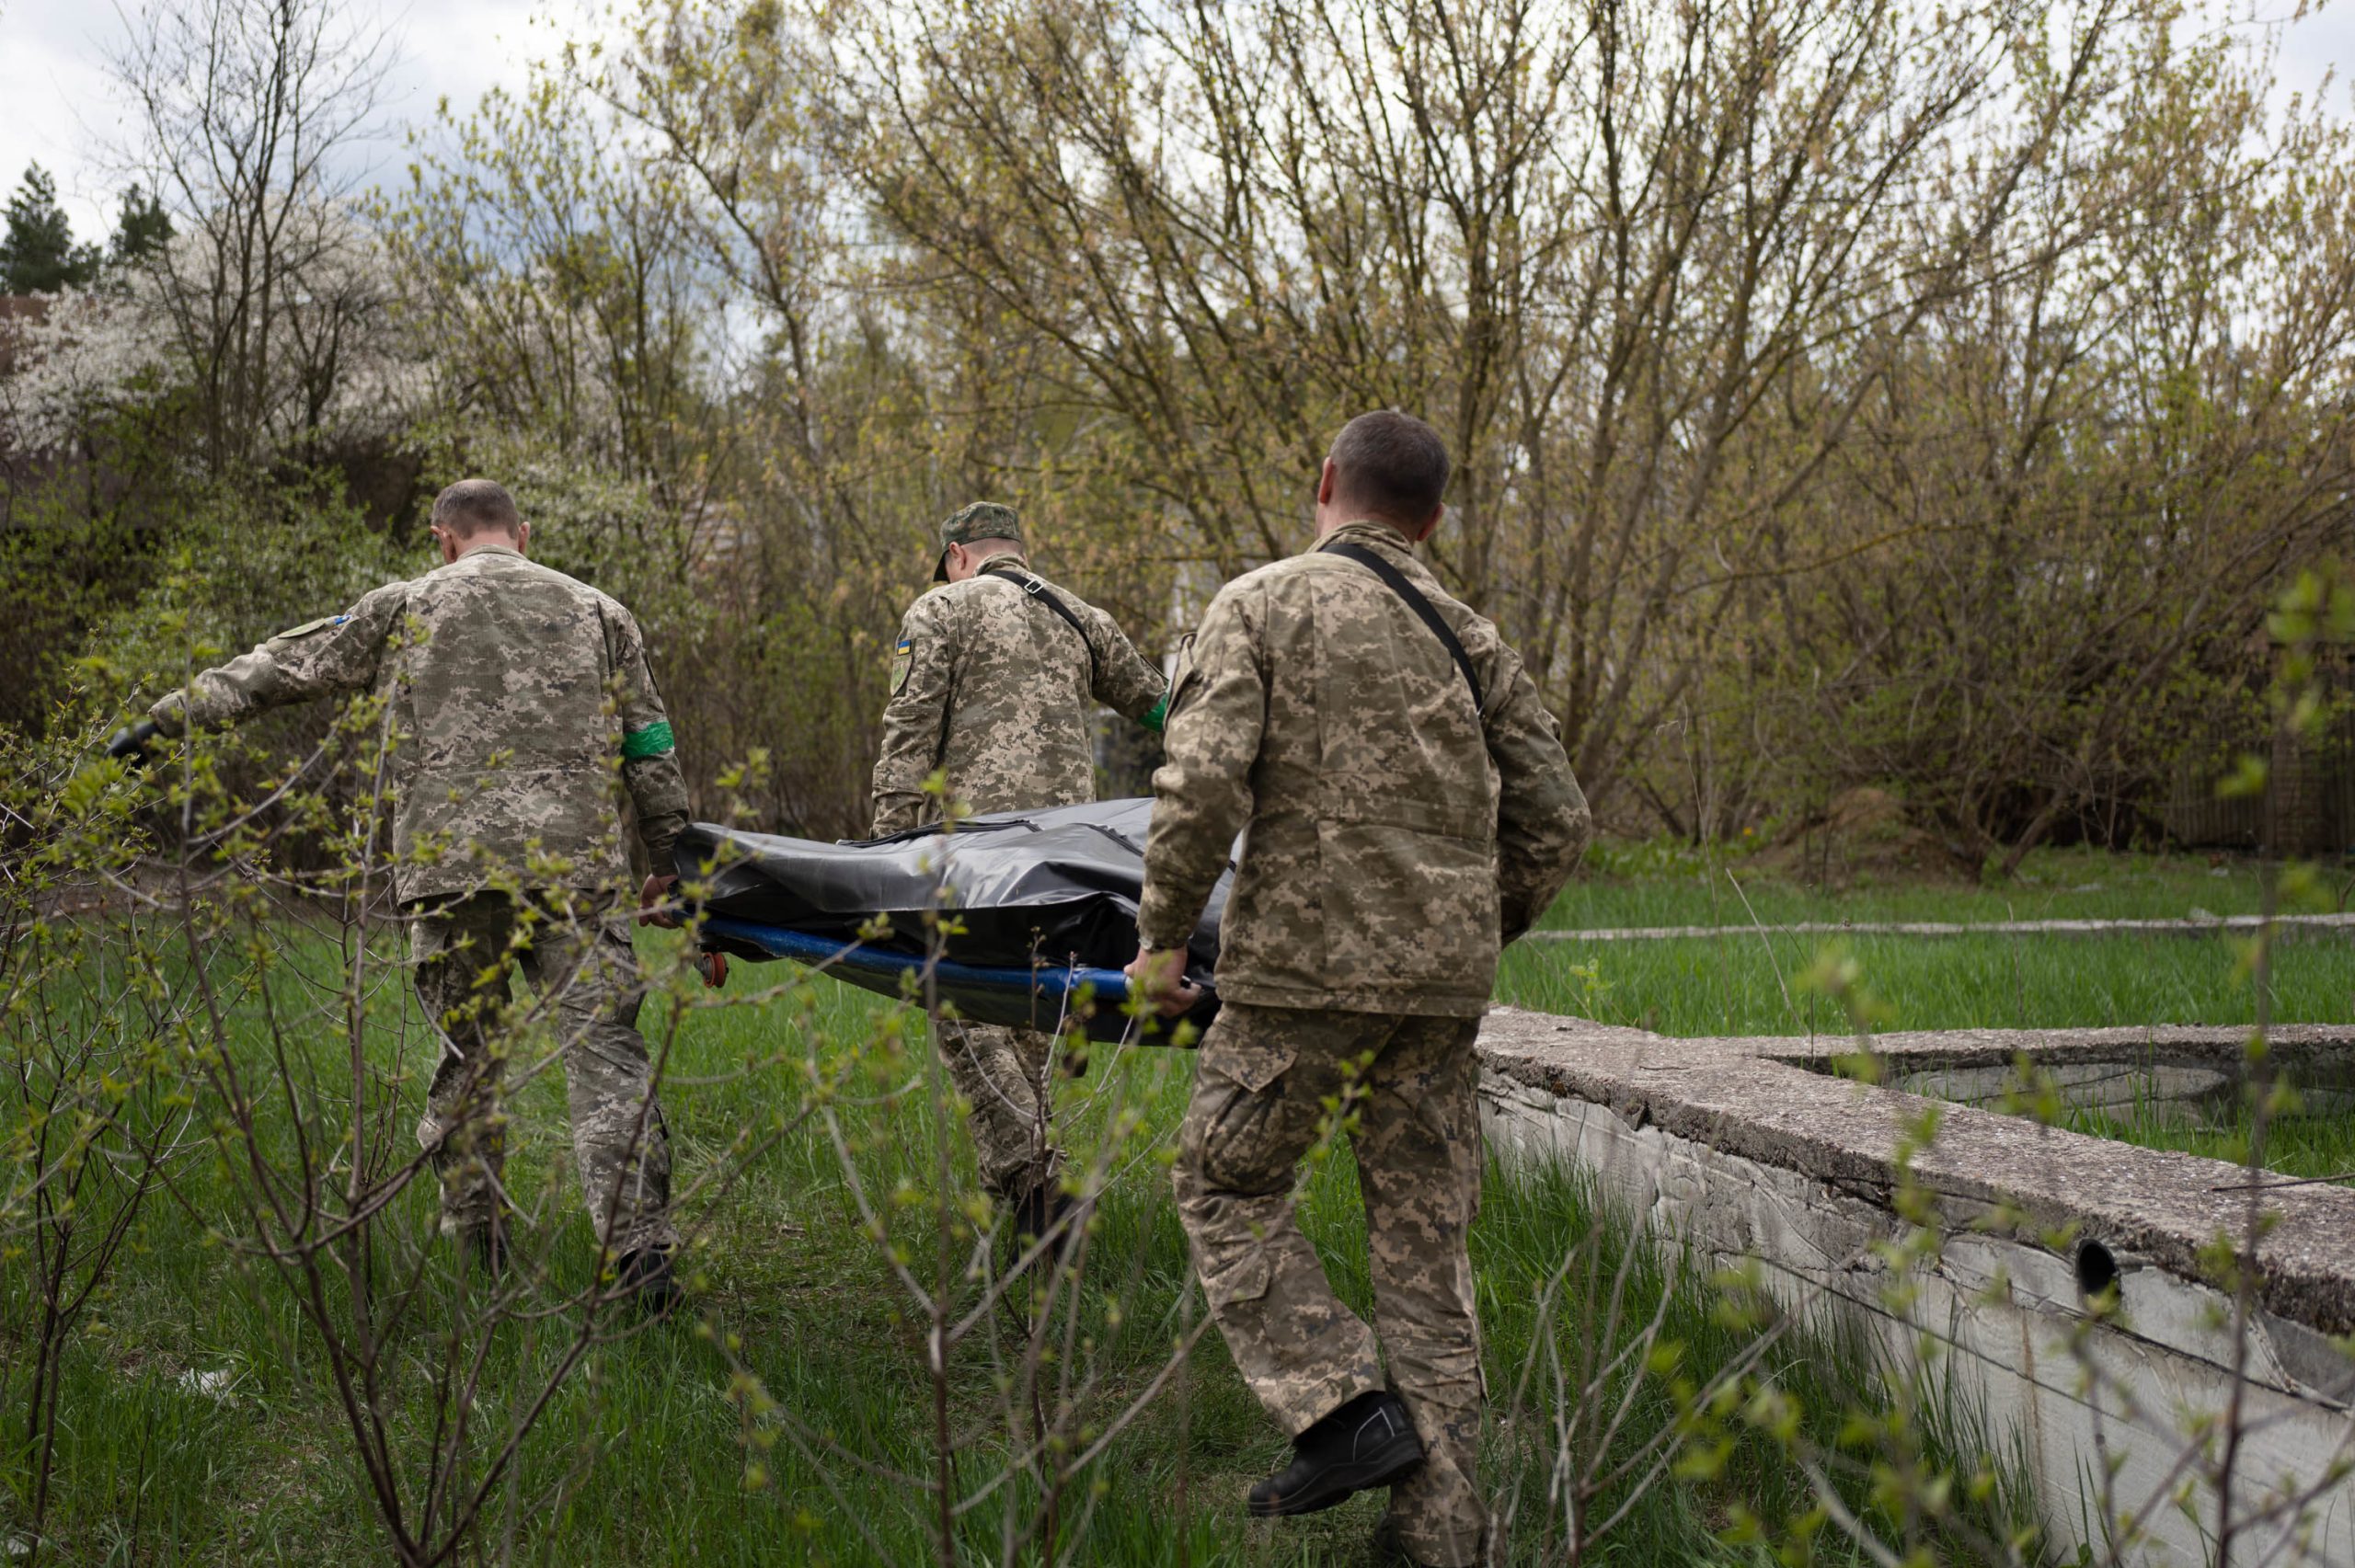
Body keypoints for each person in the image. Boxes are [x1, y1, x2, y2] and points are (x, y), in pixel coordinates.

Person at [1125, 413, 1591, 1565]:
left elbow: (1199, 784)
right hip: (1441, 996)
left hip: (1299, 977)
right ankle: (1442, 1533)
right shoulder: (1472, 637)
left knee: (1221, 1180)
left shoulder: (1262, 601)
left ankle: (1339, 1408)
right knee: (1425, 1259)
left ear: (1324, 480)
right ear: (1430, 520)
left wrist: (1161, 942)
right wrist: (1471, 931)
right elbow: (1559, 819)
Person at [107, 479, 690, 1311]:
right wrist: (673, 859)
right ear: (521, 533)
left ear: (442, 539)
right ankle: (639, 1262)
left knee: (468, 1062)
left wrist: (157, 725)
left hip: (448, 874)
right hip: (577, 876)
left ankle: (482, 1249)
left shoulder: (405, 605)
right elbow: (651, 743)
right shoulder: (601, 611)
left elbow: (278, 668)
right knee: (606, 1058)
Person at [871, 500, 1168, 1238]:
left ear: (955, 555)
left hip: (982, 853)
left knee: (959, 999)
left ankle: (1037, 1186)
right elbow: (1162, 706)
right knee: (1030, 1012)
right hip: (1076, 858)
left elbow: (907, 740)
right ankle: (1035, 1226)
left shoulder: (940, 608)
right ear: (1020, 553)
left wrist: (884, 860)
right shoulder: (1080, 614)